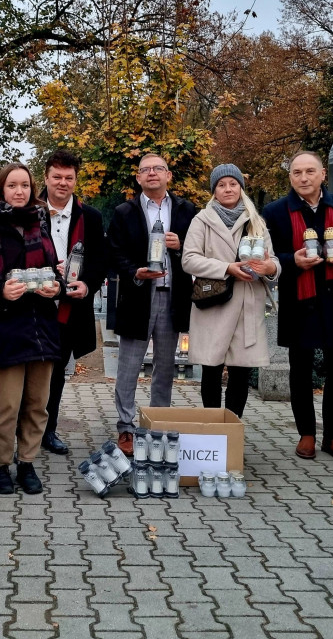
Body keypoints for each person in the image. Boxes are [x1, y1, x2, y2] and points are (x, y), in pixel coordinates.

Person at [0, 162, 62, 495]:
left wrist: (56, 287)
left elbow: (53, 268)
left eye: (24, 185)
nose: (19, 191)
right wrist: (0, 292)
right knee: (5, 405)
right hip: (5, 324)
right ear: (0, 189)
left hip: (41, 326)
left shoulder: (40, 220)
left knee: (38, 402)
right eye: (12, 185)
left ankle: (28, 462)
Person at [262, 151, 333, 463]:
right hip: (299, 297)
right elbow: (268, 257)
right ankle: (306, 433)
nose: (303, 178)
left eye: (309, 172)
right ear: (290, 177)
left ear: (323, 175)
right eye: (296, 173)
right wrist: (291, 260)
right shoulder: (276, 211)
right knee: (301, 370)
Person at [107, 153, 196, 456]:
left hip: (174, 295)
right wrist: (134, 271)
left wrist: (181, 244)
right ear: (138, 178)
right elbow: (115, 252)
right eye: (146, 170)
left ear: (168, 175)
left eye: (158, 169)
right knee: (129, 366)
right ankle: (126, 427)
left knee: (166, 366)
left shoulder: (187, 210)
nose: (152, 174)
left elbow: (199, 249)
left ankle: (158, 423)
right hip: (138, 295)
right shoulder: (124, 211)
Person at [182, 164, 279, 416]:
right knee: (211, 370)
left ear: (241, 187)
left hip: (247, 304)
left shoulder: (256, 222)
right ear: (214, 190)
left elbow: (274, 262)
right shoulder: (201, 220)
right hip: (214, 303)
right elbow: (189, 259)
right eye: (221, 185)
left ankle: (232, 431)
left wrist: (269, 267)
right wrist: (227, 267)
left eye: (233, 184)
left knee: (241, 373)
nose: (228, 189)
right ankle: (213, 432)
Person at [39, 150, 106, 455]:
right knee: (27, 371)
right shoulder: (29, 211)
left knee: (56, 372)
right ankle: (22, 430)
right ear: (46, 178)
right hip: (32, 305)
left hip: (69, 308)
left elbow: (100, 262)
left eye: (69, 178)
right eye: (57, 177)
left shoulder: (90, 216)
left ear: (76, 180)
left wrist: (88, 284)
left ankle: (48, 430)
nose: (62, 183)